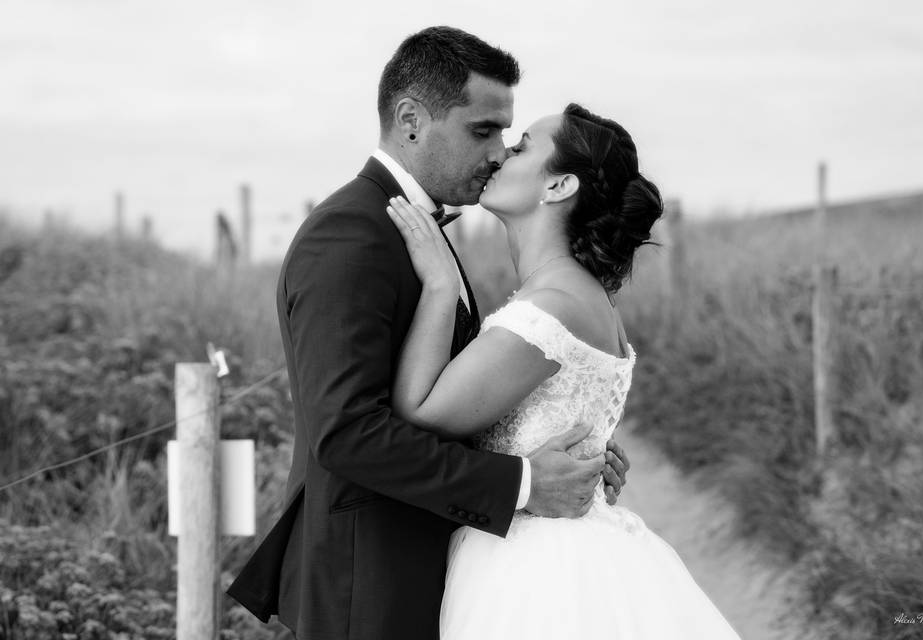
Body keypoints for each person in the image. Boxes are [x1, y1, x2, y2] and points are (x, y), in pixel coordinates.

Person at [226, 27, 631, 640]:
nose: (497, 152)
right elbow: (348, 433)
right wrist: (524, 482)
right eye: (483, 130)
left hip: (432, 565)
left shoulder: (419, 227)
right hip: (370, 579)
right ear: (412, 120)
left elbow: (456, 400)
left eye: (507, 136)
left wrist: (571, 450)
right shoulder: (351, 235)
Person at [383, 103, 743, 639]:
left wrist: (437, 285)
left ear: (558, 186)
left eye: (524, 145)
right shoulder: (572, 294)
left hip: (539, 569)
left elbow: (421, 412)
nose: (503, 152)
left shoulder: (551, 305)